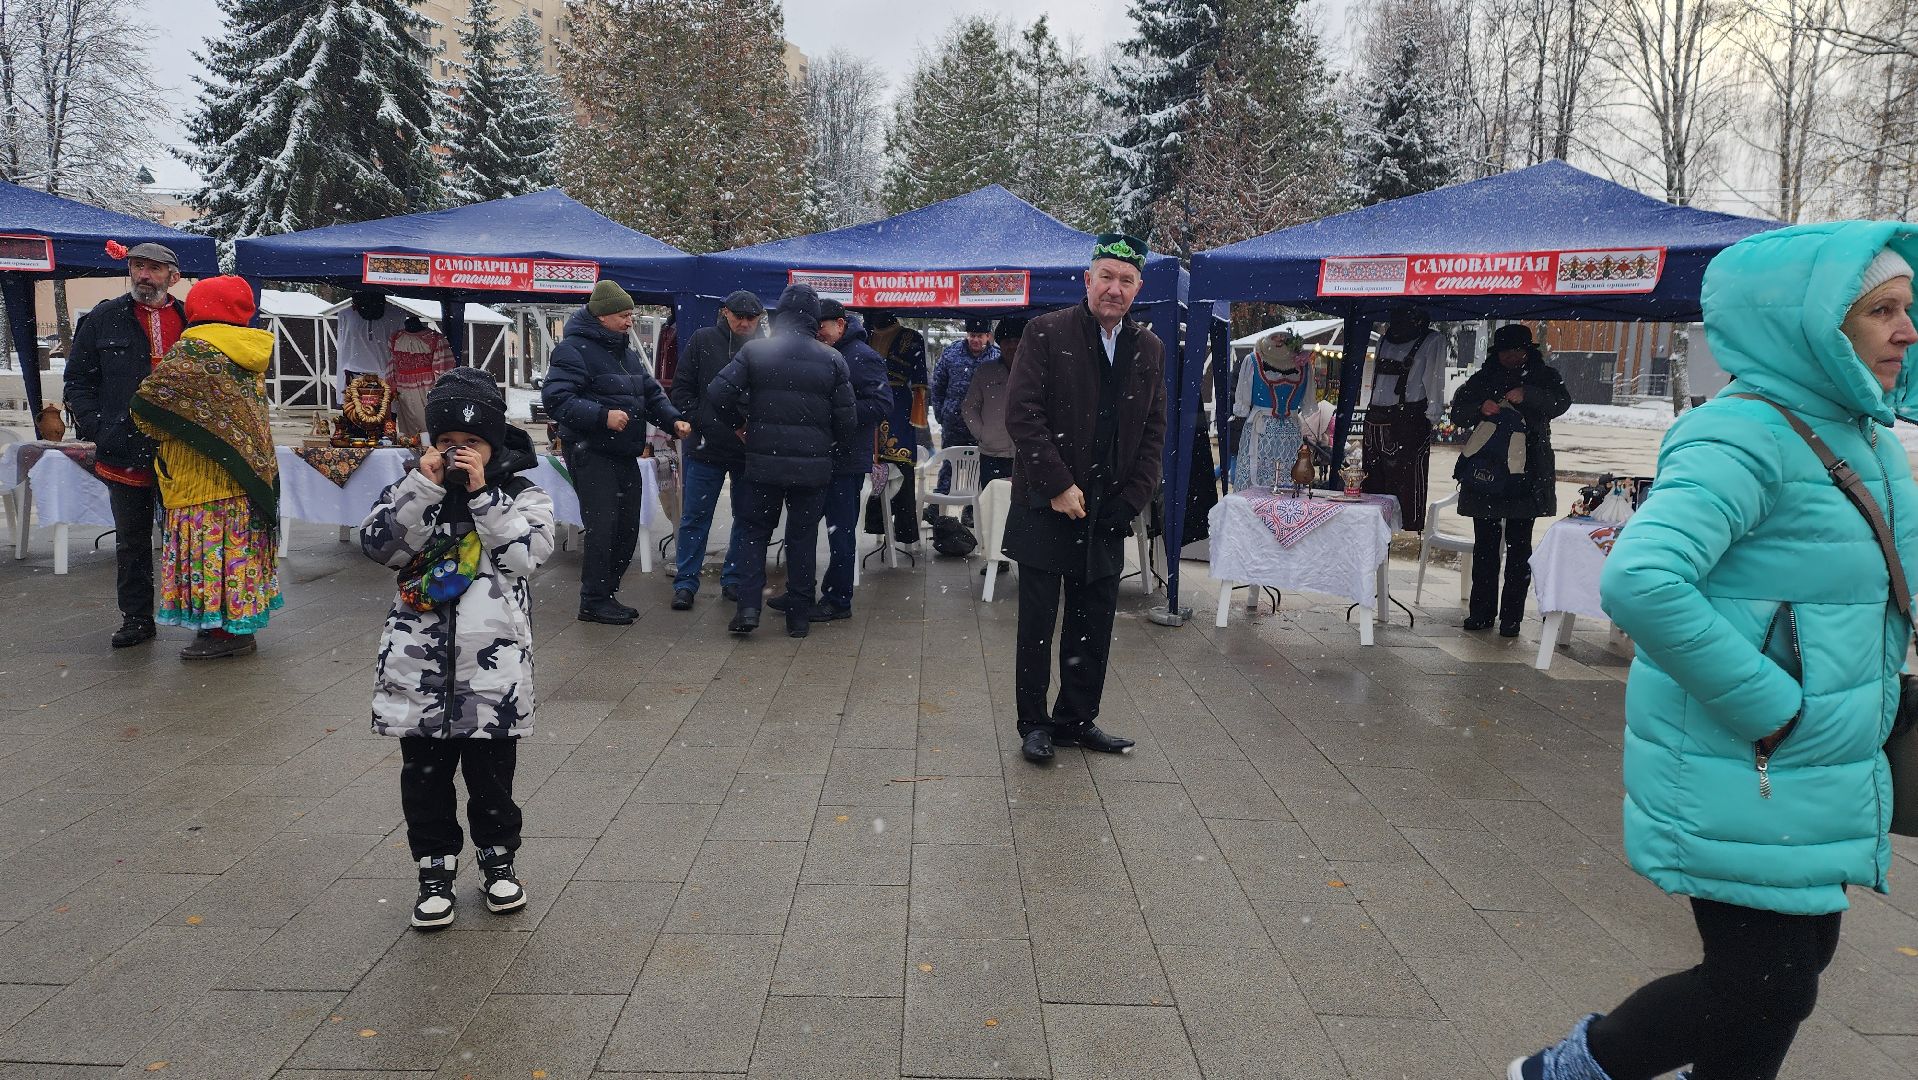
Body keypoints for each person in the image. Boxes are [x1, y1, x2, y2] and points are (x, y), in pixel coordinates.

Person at [1510, 224, 1918, 1080]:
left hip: (1823, 760)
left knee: (1789, 980)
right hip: (1751, 756)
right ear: (1809, 325)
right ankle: (1567, 1072)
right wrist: (1774, 708)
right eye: (1881, 310)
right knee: (1758, 984)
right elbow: (1643, 581)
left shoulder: (1867, 439)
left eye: (1907, 309)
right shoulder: (1743, 434)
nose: (1906, 331)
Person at [361, 368, 556, 930]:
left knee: (493, 777)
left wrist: (483, 497)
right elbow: (381, 547)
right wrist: (422, 490)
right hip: (416, 664)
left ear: (492, 444)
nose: (458, 453)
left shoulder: (522, 492)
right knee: (423, 777)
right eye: (447, 443)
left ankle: (499, 864)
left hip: (491, 674)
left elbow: (526, 558)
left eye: (471, 443)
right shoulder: (409, 485)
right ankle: (434, 871)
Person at [1002, 234, 1164, 765]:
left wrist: (1131, 499)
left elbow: (1153, 434)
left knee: (1093, 621)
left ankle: (1076, 718)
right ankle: (1034, 724)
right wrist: (1057, 485)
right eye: (1106, 277)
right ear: (1087, 279)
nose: (1114, 289)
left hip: (1108, 509)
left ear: (1138, 288)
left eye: (1126, 280)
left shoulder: (1149, 347)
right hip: (1045, 503)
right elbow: (1024, 414)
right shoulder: (1046, 333)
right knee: (1038, 621)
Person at [127, 276, 281, 660]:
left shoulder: (194, 353)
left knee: (210, 556)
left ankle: (221, 634)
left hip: (199, 481)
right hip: (242, 477)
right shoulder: (248, 350)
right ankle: (237, 628)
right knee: (236, 555)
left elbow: (145, 409)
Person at [706, 284, 856, 639]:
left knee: (754, 534)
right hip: (813, 468)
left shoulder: (756, 351)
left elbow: (717, 393)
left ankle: (747, 608)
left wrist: (740, 425)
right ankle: (799, 617)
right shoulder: (833, 359)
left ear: (778, 315)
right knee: (802, 538)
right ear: (813, 319)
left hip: (762, 463)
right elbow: (847, 421)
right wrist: (825, 443)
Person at [541, 279, 691, 625]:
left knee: (626, 528)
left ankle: (606, 593)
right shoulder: (572, 350)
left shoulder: (624, 350)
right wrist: (601, 416)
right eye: (624, 315)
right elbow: (557, 399)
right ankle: (592, 599)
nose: (629, 322)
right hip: (592, 454)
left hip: (625, 455)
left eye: (631, 315)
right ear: (603, 316)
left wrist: (673, 421)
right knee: (603, 528)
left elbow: (650, 394)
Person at [63, 242, 185, 649]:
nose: (143, 275)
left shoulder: (191, 320)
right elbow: (78, 382)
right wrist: (100, 428)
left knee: (186, 537)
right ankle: (136, 618)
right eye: (137, 266)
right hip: (124, 449)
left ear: (174, 276)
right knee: (132, 541)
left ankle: (197, 616)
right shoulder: (104, 317)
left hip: (181, 453)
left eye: (153, 268)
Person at [1446, 323, 1570, 636]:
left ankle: (1511, 617)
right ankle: (1481, 612)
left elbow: (1561, 403)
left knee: (1519, 548)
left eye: (1517, 351)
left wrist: (1529, 395)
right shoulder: (1483, 377)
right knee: (1485, 547)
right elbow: (1458, 412)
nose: (1511, 357)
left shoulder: (1544, 376)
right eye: (1505, 351)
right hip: (1486, 472)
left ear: (1527, 351)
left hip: (1526, 473)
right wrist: (1480, 408)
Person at [794, 299, 892, 622]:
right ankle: (802, 590)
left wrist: (841, 416)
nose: (818, 332)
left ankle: (838, 599)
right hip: (818, 456)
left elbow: (881, 404)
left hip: (847, 459)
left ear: (840, 323)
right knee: (804, 527)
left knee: (841, 533)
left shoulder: (865, 358)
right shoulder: (822, 352)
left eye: (822, 326)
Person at [668, 290, 763, 610]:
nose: (746, 323)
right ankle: (685, 582)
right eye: (740, 317)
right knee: (695, 516)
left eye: (753, 318)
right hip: (705, 447)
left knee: (745, 516)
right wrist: (702, 421)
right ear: (725, 313)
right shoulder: (702, 340)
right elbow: (681, 390)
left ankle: (733, 578)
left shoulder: (766, 347)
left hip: (747, 448)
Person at [1361, 305, 1448, 532]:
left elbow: (1434, 382)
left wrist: (1432, 413)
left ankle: (1402, 532)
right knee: (1373, 488)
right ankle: (1376, 533)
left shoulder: (1432, 340)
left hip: (1405, 421)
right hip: (1382, 420)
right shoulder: (1384, 339)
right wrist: (1432, 415)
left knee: (1406, 486)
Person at [865, 310, 928, 544]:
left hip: (898, 406)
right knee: (871, 466)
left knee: (902, 466)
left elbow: (920, 380)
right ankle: (875, 524)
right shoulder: (863, 336)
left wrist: (917, 416)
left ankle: (905, 530)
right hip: (869, 402)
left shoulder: (912, 338)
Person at [1230, 330, 1313, 491]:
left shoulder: (1304, 365)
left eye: (1283, 338)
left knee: (1290, 478)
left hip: (1290, 436)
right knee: (1256, 480)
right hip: (1260, 432)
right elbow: (1242, 402)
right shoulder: (1253, 361)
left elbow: (1308, 402)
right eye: (1276, 337)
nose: (1280, 340)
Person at [929, 315, 998, 494]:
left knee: (978, 468)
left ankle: (971, 509)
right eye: (972, 335)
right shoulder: (951, 353)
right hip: (954, 423)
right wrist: (941, 414)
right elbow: (938, 387)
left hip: (983, 425)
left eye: (980, 336)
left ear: (988, 336)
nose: (975, 339)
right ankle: (939, 508)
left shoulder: (996, 357)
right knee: (949, 465)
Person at [962, 316, 1024, 487]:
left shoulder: (1036, 370)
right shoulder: (986, 371)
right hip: (992, 454)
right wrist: (982, 434)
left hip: (1027, 453)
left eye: (1016, 340)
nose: (1012, 346)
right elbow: (969, 407)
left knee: (1023, 508)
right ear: (999, 343)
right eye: (1007, 341)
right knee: (991, 505)